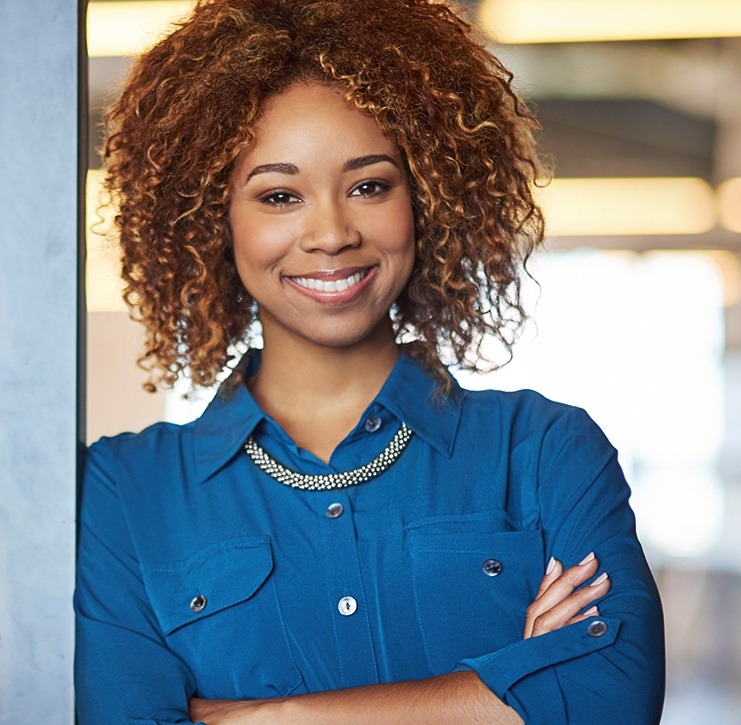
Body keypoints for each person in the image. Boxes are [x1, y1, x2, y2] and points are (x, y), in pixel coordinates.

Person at [74, 0, 665, 722]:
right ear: (212, 221)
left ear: (427, 199)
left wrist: (261, 714)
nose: (329, 232)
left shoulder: (543, 450)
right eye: (279, 195)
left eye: (368, 185)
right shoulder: (123, 491)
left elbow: (609, 697)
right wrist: (501, 696)